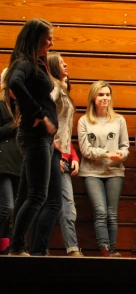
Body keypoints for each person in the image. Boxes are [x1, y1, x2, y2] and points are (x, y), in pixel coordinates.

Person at [3, 19, 58, 256]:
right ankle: (17, 247)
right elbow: (14, 82)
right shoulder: (24, 63)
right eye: (48, 38)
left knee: (26, 195)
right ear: (36, 38)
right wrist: (36, 113)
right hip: (34, 136)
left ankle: (17, 246)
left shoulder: (34, 62)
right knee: (38, 195)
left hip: (39, 138)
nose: (51, 42)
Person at [29, 52, 82, 256]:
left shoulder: (62, 89)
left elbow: (65, 130)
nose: (66, 64)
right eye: (61, 63)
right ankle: (42, 250)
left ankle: (40, 249)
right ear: (52, 66)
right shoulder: (52, 89)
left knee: (51, 202)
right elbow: (44, 119)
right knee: (51, 202)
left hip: (60, 153)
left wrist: (71, 155)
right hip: (51, 152)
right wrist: (55, 152)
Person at [78, 80, 129, 257]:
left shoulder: (119, 120)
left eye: (107, 94)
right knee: (100, 211)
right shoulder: (84, 120)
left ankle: (112, 251)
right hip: (91, 172)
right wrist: (107, 154)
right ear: (93, 97)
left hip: (115, 172)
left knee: (112, 214)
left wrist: (121, 155)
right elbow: (85, 150)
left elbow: (125, 147)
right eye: (101, 94)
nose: (105, 98)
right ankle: (104, 250)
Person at [0, 69, 22, 255]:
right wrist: (14, 125)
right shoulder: (1, 105)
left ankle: (9, 246)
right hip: (3, 163)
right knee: (7, 206)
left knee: (16, 210)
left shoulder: (23, 106)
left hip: (20, 164)